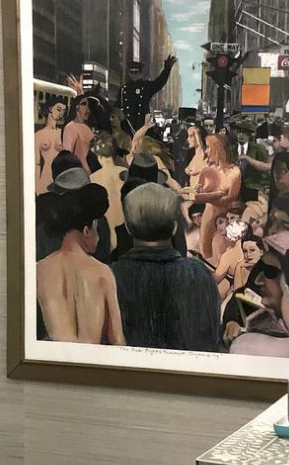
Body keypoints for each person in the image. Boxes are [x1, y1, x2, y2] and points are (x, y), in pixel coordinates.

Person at [112, 183, 220, 351]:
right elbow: (209, 342)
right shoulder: (199, 275)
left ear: (127, 227)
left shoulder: (111, 275)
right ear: (175, 227)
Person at [36, 182, 125, 345]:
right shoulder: (102, 273)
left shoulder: (40, 269)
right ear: (86, 230)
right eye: (97, 229)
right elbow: (117, 339)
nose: (99, 236)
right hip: (92, 358)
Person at [230, 233, 289, 358]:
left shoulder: (246, 347)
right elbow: (243, 291)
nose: (258, 280)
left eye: (270, 272)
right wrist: (231, 320)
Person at [197, 133, 242, 258]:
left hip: (225, 219)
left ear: (217, 149)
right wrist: (215, 195)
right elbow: (198, 192)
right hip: (208, 217)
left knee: (223, 254)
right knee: (206, 252)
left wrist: (207, 197)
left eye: (208, 147)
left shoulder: (234, 172)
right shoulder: (207, 170)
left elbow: (231, 198)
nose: (206, 151)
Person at [119, 55, 177, 134]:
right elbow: (118, 107)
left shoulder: (146, 87)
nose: (133, 75)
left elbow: (159, 82)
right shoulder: (123, 89)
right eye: (131, 72)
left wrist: (167, 69)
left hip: (143, 127)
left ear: (140, 74)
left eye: (136, 73)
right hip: (127, 129)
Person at [90, 134, 125, 252]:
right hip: (126, 232)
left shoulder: (92, 178)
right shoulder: (126, 173)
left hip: (104, 235)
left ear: (99, 157)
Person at [34, 96, 66, 194]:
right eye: (59, 109)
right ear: (50, 109)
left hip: (61, 175)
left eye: (63, 111)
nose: (61, 113)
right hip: (46, 175)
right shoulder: (38, 135)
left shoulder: (63, 133)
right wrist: (36, 185)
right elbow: (37, 163)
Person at [62, 94, 94, 172]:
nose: (88, 110)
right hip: (78, 173)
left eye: (88, 105)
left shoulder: (87, 128)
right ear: (76, 107)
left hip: (89, 172)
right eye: (84, 104)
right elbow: (67, 155)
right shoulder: (70, 127)